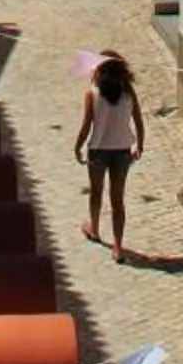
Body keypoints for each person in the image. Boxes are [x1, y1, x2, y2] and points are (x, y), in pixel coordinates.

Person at [74, 50, 144, 261]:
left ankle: (94, 229)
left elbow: (87, 126)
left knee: (96, 192)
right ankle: (118, 247)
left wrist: (77, 146)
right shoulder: (128, 93)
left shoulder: (92, 94)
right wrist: (140, 144)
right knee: (118, 201)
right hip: (122, 151)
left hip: (98, 150)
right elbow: (139, 121)